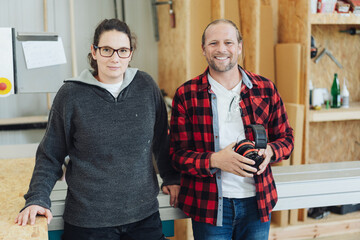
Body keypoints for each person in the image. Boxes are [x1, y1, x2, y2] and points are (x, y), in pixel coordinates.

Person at [15, 18, 180, 240]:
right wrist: (37, 198)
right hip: (88, 223)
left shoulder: (146, 86)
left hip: (143, 218)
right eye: (106, 50)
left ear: (130, 53)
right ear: (94, 52)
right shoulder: (70, 94)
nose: (115, 58)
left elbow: (161, 139)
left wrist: (171, 177)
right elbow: (50, 154)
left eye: (122, 50)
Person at [169, 19, 294, 240]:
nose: (221, 49)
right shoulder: (187, 95)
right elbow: (177, 155)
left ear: (239, 47)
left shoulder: (265, 89)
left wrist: (271, 152)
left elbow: (287, 138)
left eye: (228, 42)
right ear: (203, 49)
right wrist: (215, 161)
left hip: (257, 203)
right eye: (213, 43)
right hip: (209, 206)